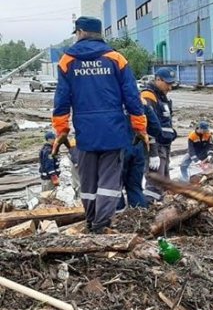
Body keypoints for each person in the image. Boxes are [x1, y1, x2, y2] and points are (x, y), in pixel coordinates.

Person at [52, 16, 147, 233]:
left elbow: (61, 99)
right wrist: (139, 127)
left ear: (80, 32)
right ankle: (101, 224)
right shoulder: (116, 58)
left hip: (85, 131)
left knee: (88, 180)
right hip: (113, 130)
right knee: (109, 180)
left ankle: (91, 219)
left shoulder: (67, 60)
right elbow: (132, 96)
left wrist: (61, 130)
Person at [142, 67, 178, 203]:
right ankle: (148, 212)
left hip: (164, 145)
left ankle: (163, 212)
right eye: (168, 83)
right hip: (155, 146)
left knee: (164, 181)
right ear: (158, 79)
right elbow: (148, 126)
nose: (170, 87)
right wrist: (153, 153)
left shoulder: (162, 97)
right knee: (154, 184)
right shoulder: (148, 96)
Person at [118, 101, 161, 210]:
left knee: (115, 187)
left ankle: (117, 220)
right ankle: (140, 216)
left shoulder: (113, 99)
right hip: (138, 147)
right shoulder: (141, 102)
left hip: (118, 148)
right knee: (135, 187)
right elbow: (155, 128)